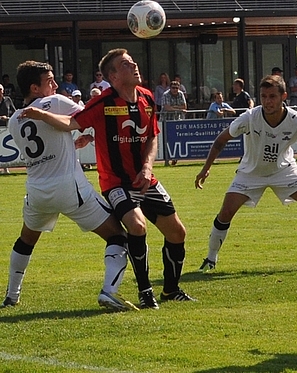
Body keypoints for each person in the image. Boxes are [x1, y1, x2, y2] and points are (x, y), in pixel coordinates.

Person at [21, 49, 195, 309]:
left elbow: (152, 137)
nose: (134, 65)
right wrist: (42, 114)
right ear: (112, 75)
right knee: (137, 227)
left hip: (145, 178)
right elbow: (71, 122)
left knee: (178, 232)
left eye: (133, 61)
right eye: (126, 64)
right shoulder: (103, 102)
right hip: (116, 182)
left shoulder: (147, 98)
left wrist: (147, 167)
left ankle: (171, 290)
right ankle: (146, 292)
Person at [4, 60, 136, 311]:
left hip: (37, 191)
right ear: (34, 88)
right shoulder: (55, 102)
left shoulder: (13, 120)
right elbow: (91, 115)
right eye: (49, 81)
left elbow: (44, 147)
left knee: (26, 241)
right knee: (119, 235)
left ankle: (11, 295)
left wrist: (72, 144)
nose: (55, 85)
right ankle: (109, 291)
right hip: (69, 188)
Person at [195, 74, 297, 272]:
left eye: (272, 96)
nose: (267, 101)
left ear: (283, 96)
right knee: (226, 212)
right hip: (250, 172)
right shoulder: (251, 117)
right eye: (263, 97)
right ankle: (210, 260)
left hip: (284, 170)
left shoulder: (296, 120)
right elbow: (221, 140)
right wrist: (205, 168)